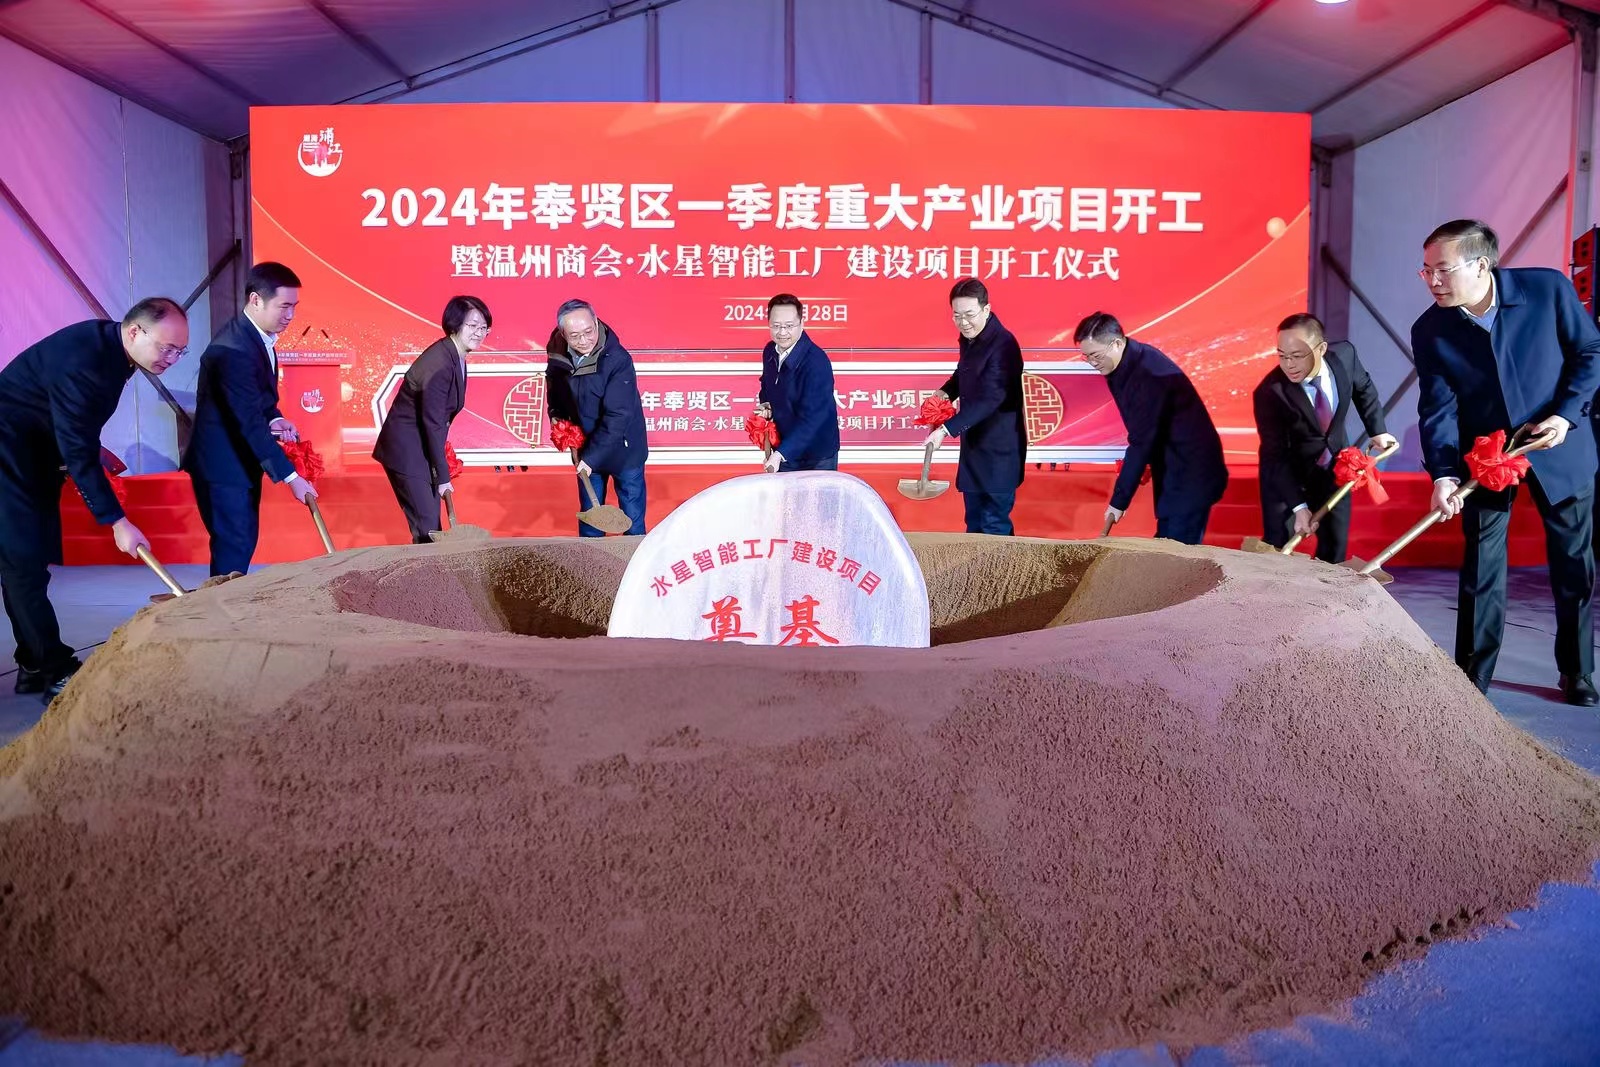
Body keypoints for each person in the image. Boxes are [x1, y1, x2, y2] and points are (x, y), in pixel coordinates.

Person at [1413, 218, 1600, 705]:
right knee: (1481, 562)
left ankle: (1578, 671)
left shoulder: (1546, 290)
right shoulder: (1431, 329)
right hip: (1487, 458)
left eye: (1443, 269)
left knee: (1573, 563)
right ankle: (1472, 679)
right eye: (1426, 270)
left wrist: (1566, 415)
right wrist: (1444, 474)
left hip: (1559, 444)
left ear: (1481, 265)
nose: (1432, 280)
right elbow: (1437, 408)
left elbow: (1590, 349)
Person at [0, 298, 188, 699]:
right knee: (23, 566)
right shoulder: (86, 361)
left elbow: (73, 426)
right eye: (166, 348)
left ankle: (32, 663)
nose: (172, 359)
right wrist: (116, 521)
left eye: (179, 352)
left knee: (30, 564)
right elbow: (76, 445)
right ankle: (55, 669)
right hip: (8, 459)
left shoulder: (112, 349)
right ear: (135, 331)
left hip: (33, 458)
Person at [183, 262, 319, 576]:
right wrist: (291, 478)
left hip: (238, 462)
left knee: (242, 541)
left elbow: (259, 403)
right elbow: (247, 420)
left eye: (294, 307)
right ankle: (222, 605)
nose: (290, 315)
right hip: (222, 465)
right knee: (234, 545)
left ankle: (228, 601)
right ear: (256, 300)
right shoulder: (233, 349)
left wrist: (275, 419)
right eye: (283, 306)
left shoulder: (256, 338)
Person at [1254, 313, 1396, 563]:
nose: (1289, 364)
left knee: (1334, 548)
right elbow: (1275, 457)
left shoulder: (1345, 356)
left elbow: (1363, 388)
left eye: (1297, 355)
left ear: (1321, 349)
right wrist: (1299, 507)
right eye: (1282, 356)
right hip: (1288, 478)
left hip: (1335, 469)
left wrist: (1378, 431)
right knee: (1278, 551)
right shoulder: (1270, 392)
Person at [1075, 312, 1227, 544]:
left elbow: (1141, 440)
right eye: (1086, 356)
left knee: (1177, 549)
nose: (1092, 362)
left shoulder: (1148, 375)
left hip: (1191, 469)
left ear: (1116, 343)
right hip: (1171, 463)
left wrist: (1118, 501)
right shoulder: (1126, 362)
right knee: (1166, 541)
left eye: (1095, 355)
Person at [373, 296, 490, 543]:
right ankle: (424, 569)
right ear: (454, 324)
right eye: (472, 326)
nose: (479, 333)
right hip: (407, 451)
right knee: (427, 528)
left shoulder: (454, 355)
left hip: (421, 447)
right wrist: (443, 476)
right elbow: (432, 422)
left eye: (484, 327)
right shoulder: (438, 364)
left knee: (430, 525)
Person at [923, 278, 1027, 534]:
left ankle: (1001, 563)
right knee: (974, 523)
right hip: (975, 447)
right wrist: (945, 393)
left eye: (969, 315)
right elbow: (964, 373)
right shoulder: (971, 338)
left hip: (999, 450)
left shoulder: (1004, 345)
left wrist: (946, 430)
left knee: (994, 526)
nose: (963, 322)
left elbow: (992, 397)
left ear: (986, 309)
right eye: (957, 315)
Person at [544, 299, 648, 536]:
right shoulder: (558, 351)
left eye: (588, 332)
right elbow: (555, 390)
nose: (583, 340)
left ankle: (633, 557)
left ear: (596, 322)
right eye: (574, 336)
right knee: (591, 520)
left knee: (632, 521)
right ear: (563, 334)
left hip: (624, 449)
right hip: (586, 446)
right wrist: (557, 417)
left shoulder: (618, 360)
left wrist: (590, 458)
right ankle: (591, 557)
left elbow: (618, 416)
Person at [755, 293, 840, 473]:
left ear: (802, 324)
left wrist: (780, 454)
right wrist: (765, 406)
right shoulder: (770, 351)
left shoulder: (816, 362)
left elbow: (814, 419)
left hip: (816, 454)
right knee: (784, 492)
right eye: (776, 326)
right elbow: (767, 385)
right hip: (785, 444)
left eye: (789, 326)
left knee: (817, 493)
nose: (782, 332)